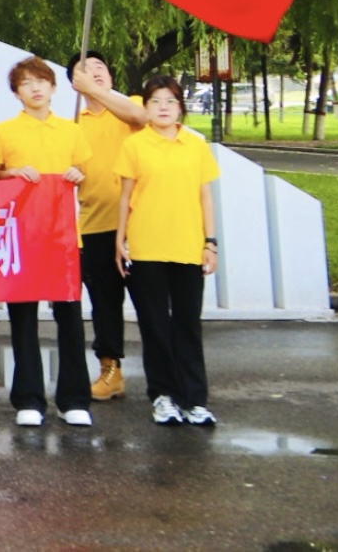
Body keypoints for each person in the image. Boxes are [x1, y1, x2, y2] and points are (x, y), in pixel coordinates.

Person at [0, 56, 94, 427]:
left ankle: (74, 399)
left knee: (70, 318)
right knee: (23, 319)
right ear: (16, 93)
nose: (35, 88)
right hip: (21, 236)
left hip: (63, 237)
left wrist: (78, 173)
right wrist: (12, 173)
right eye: (26, 83)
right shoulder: (2, 132)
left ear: (53, 87)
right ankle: (29, 398)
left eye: (41, 81)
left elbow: (86, 172)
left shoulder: (72, 131)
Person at [115, 75, 220, 427]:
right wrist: (120, 240)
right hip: (146, 247)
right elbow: (125, 197)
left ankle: (194, 400)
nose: (163, 107)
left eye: (170, 101)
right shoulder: (134, 145)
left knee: (188, 324)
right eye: (155, 101)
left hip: (188, 246)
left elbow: (205, 196)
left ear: (180, 108)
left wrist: (210, 242)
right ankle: (163, 396)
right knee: (155, 326)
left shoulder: (195, 145)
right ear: (145, 107)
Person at [67, 51, 147, 401]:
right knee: (104, 304)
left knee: (150, 303)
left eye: (100, 67)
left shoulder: (130, 106)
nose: (94, 71)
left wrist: (96, 89)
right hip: (95, 225)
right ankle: (110, 371)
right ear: (74, 83)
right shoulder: (73, 125)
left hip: (139, 225)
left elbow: (139, 117)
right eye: (85, 69)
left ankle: (167, 375)